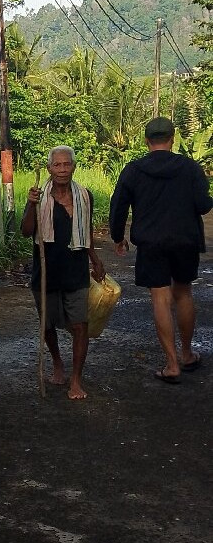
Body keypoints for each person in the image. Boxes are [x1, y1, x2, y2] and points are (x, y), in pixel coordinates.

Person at [109, 117, 212, 383]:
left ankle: (171, 364)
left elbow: (118, 205)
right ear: (173, 138)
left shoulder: (134, 170)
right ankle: (188, 354)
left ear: (146, 140)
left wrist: (118, 237)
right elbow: (203, 205)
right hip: (185, 241)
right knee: (184, 293)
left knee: (160, 298)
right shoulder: (190, 168)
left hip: (151, 243)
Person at [20, 147, 106, 399]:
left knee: (80, 325)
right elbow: (26, 232)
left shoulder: (84, 196)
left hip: (76, 271)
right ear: (49, 169)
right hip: (46, 271)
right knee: (47, 324)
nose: (62, 170)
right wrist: (30, 203)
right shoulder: (40, 197)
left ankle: (76, 380)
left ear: (74, 167)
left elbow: (87, 231)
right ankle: (58, 363)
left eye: (66, 165)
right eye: (57, 165)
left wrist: (95, 260)